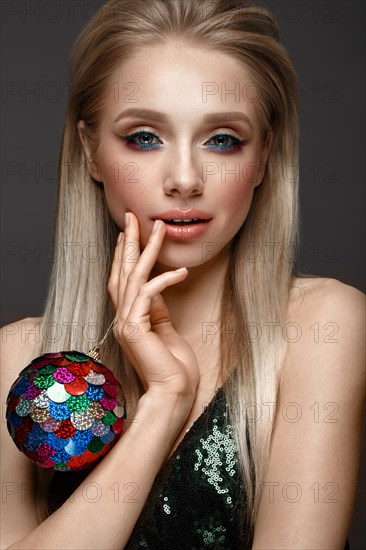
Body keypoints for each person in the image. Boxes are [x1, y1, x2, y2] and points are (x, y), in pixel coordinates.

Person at [1, 0, 364, 548]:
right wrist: (166, 402)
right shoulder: (17, 354)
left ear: (264, 156)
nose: (186, 179)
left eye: (223, 139)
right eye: (145, 137)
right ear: (90, 153)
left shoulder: (323, 327)